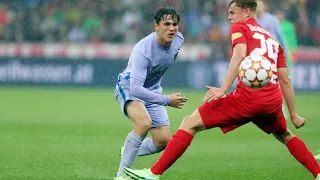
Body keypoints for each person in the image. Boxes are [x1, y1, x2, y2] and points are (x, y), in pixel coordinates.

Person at [123, 0, 320, 179]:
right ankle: (318, 173)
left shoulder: (239, 27)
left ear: (247, 12)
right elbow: (284, 79)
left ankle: (153, 173)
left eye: (233, 12)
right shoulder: (272, 40)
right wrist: (293, 114)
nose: (229, 17)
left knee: (190, 123)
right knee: (285, 135)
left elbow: (239, 54)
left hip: (247, 99)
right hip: (272, 100)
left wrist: (223, 88)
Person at [113, 7, 188, 180]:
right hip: (129, 86)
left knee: (163, 140)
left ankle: (129, 149)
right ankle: (120, 176)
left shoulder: (179, 40)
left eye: (175, 24)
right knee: (143, 123)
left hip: (152, 89)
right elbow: (136, 89)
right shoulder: (143, 51)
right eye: (167, 24)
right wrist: (167, 100)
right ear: (156, 26)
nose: (172, 28)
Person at [256, 0, 291, 119]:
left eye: (259, 3)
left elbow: (280, 37)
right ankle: (262, 110)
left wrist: (284, 54)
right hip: (259, 59)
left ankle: (281, 109)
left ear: (264, 5)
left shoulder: (272, 20)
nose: (257, 6)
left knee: (275, 83)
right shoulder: (252, 21)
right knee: (260, 85)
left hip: (273, 56)